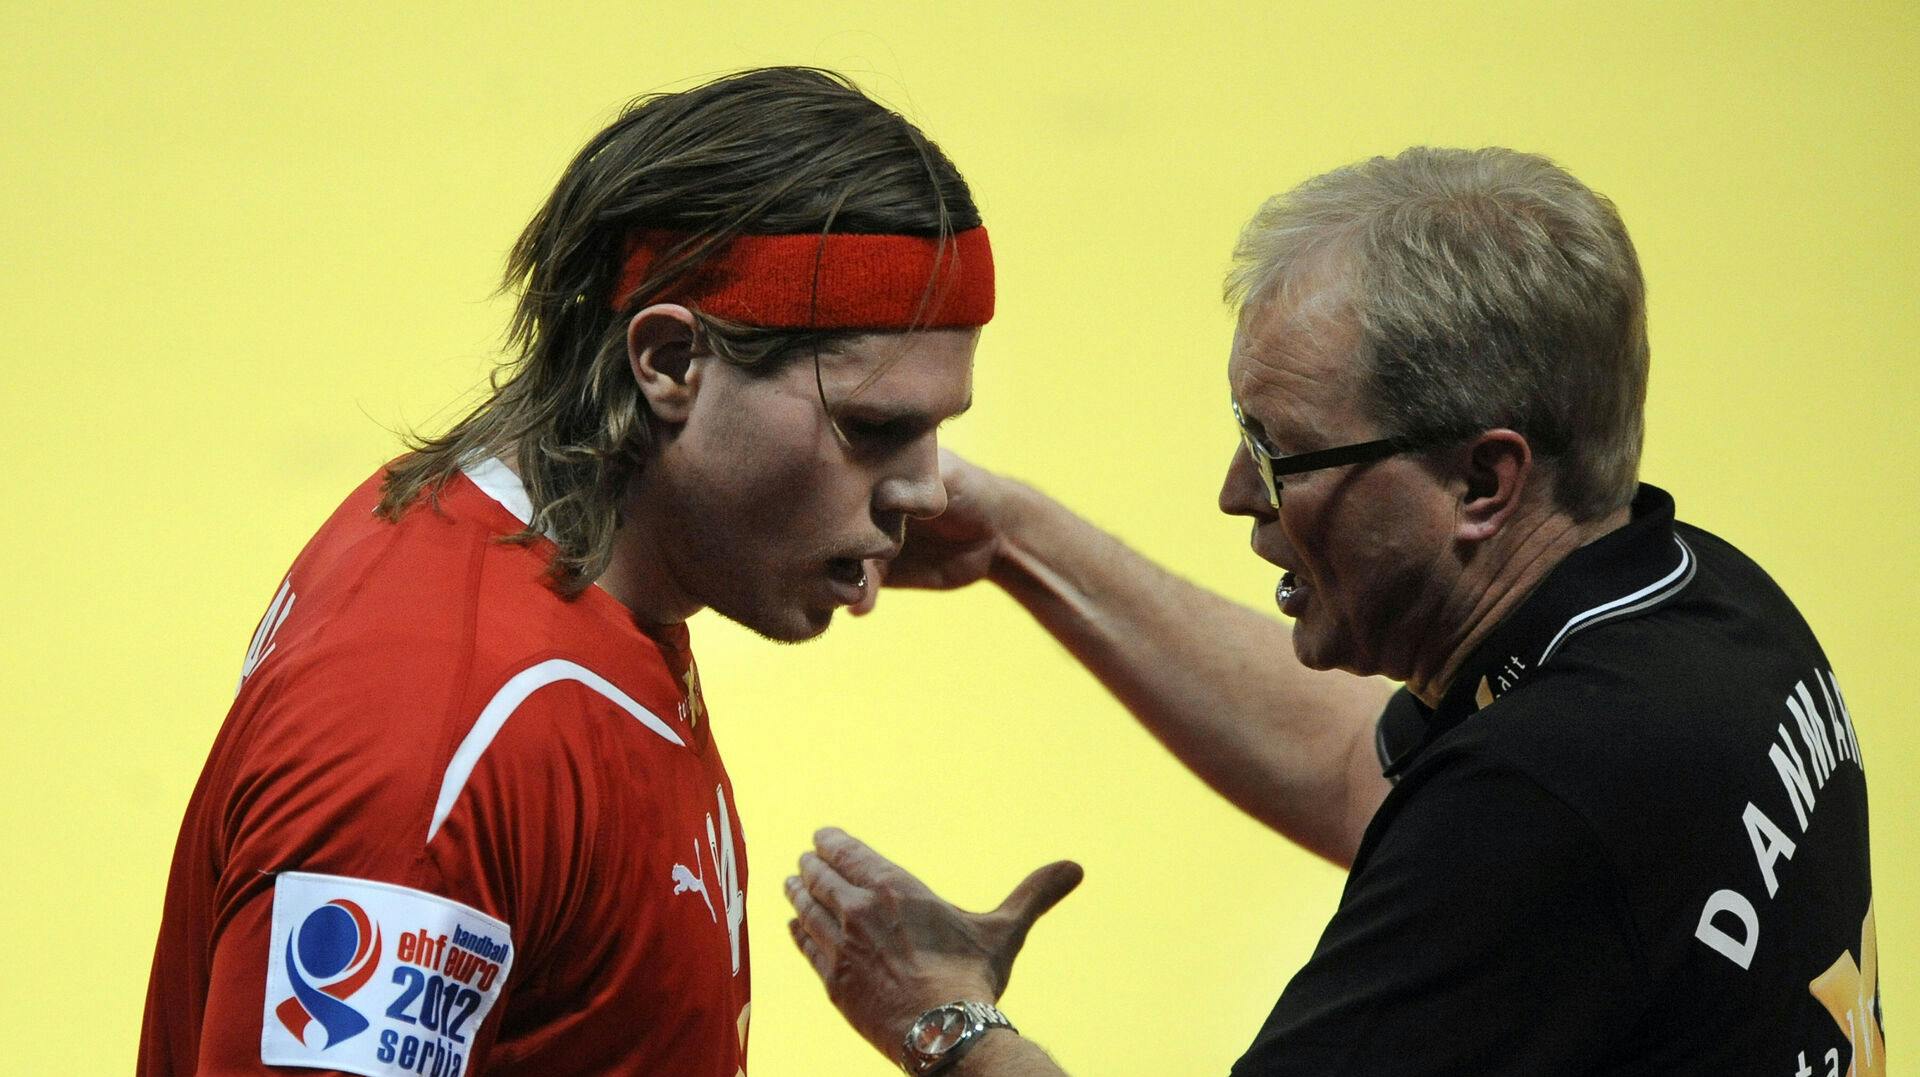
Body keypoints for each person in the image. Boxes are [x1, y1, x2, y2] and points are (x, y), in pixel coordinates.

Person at [784, 147, 1879, 1075]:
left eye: (1281, 452)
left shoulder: (1542, 804)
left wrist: (945, 1016)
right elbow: (1367, 774)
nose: (1236, 492)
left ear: (1484, 483)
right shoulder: (1701, 601)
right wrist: (1017, 541)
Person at [139, 66, 993, 1077]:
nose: (929, 494)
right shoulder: (436, 742)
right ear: (670, 362)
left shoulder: (572, 570)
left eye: (936, 432)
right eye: (873, 428)